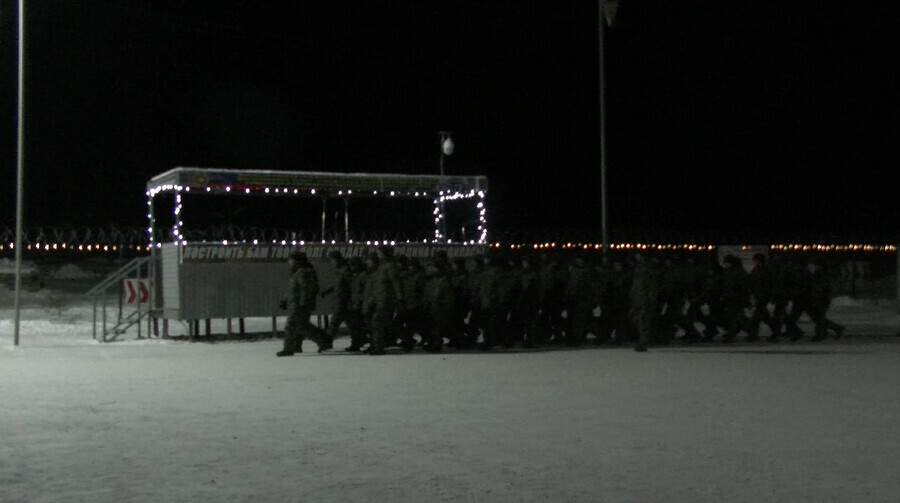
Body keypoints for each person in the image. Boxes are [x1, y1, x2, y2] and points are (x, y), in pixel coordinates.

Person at [277, 251, 328, 356]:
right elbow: (293, 290)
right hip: (296, 303)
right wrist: (286, 301)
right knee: (303, 326)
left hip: (299, 304)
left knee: (292, 326)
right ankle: (324, 339)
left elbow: (306, 288)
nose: (289, 262)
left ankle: (289, 348)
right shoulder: (298, 272)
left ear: (297, 261)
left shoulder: (302, 272)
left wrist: (304, 302)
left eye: (291, 260)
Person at [789, 258, 845, 341]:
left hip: (806, 299)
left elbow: (815, 288)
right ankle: (833, 329)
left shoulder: (810, 275)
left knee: (817, 318)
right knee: (817, 318)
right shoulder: (810, 275)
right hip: (806, 299)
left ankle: (824, 332)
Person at [362, 246, 405, 354]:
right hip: (381, 298)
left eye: (379, 252)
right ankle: (406, 339)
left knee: (377, 321)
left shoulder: (390, 266)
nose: (378, 255)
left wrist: (400, 298)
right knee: (387, 322)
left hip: (387, 298)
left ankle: (378, 347)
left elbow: (396, 283)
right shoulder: (382, 266)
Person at [324, 251, 365, 352]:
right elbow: (340, 284)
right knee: (352, 323)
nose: (332, 262)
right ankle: (358, 341)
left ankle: (325, 342)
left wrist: (353, 299)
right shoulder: (342, 270)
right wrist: (329, 290)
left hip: (344, 301)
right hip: (342, 300)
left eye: (332, 259)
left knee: (335, 322)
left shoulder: (346, 270)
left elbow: (352, 285)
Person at [630, 252, 662, 352]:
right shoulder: (639, 269)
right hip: (639, 300)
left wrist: (651, 300)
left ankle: (643, 342)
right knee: (639, 321)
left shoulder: (647, 270)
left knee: (643, 322)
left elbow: (651, 287)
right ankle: (648, 339)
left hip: (644, 300)